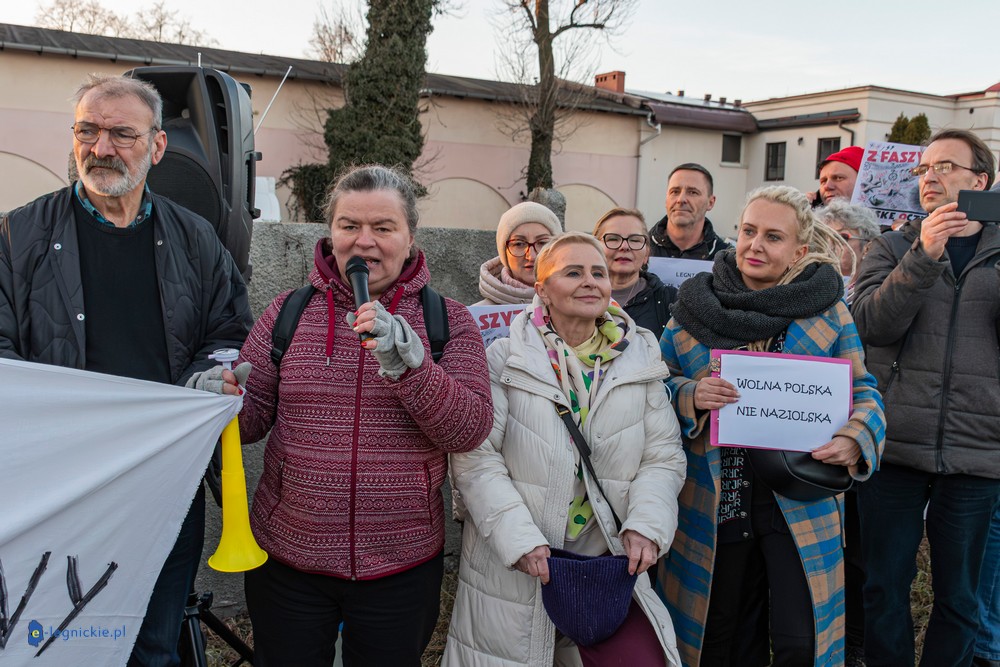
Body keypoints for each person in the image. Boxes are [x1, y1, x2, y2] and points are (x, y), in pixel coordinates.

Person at [0, 73, 252, 667]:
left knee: (153, 646)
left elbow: (228, 333)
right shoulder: (18, 234)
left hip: (164, 479)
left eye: (121, 134)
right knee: (46, 642)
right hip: (56, 484)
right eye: (87, 131)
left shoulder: (196, 239)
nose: (101, 147)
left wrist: (201, 384)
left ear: (158, 146)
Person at [227, 164, 493, 667]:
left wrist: (411, 367)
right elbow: (251, 419)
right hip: (288, 561)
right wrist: (218, 402)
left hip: (401, 564)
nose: (364, 241)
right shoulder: (287, 312)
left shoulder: (448, 320)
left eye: (383, 227)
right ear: (331, 233)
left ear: (410, 238)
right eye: (349, 225)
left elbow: (469, 428)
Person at [658, 185, 885, 667]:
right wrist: (690, 394)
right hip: (715, 499)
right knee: (716, 638)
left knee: (801, 640)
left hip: (800, 496)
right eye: (748, 231)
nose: (755, 245)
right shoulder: (693, 307)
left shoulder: (827, 309)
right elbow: (654, 384)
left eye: (773, 237)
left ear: (799, 251)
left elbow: (863, 391)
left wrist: (854, 437)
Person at [443, 232, 686, 667]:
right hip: (519, 560)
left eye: (598, 272)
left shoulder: (640, 358)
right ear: (542, 289)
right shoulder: (504, 358)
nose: (590, 281)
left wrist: (647, 526)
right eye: (573, 272)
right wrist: (520, 541)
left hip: (606, 559)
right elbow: (476, 461)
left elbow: (662, 457)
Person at [852, 128, 1000, 667]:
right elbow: (870, 325)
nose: (928, 177)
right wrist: (923, 254)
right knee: (884, 587)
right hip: (894, 445)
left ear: (980, 181)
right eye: (922, 168)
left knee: (961, 597)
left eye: (944, 166)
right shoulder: (892, 246)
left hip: (978, 448)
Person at [592, 207, 677, 340]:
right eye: (613, 238)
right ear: (595, 248)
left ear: (647, 253)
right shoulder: (578, 295)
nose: (624, 247)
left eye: (635, 240)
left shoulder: (671, 302)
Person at [476, 200, 562, 305]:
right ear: (504, 254)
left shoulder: (578, 309)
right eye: (519, 244)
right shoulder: (476, 314)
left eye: (542, 243)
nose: (531, 256)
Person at [649, 163, 732, 259]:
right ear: (666, 199)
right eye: (675, 192)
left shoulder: (726, 258)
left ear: (710, 203)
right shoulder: (640, 249)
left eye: (692, 192)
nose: (681, 199)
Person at [817, 200, 880, 303]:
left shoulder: (876, 294)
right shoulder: (806, 285)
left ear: (867, 248)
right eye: (824, 237)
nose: (830, 244)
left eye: (842, 237)